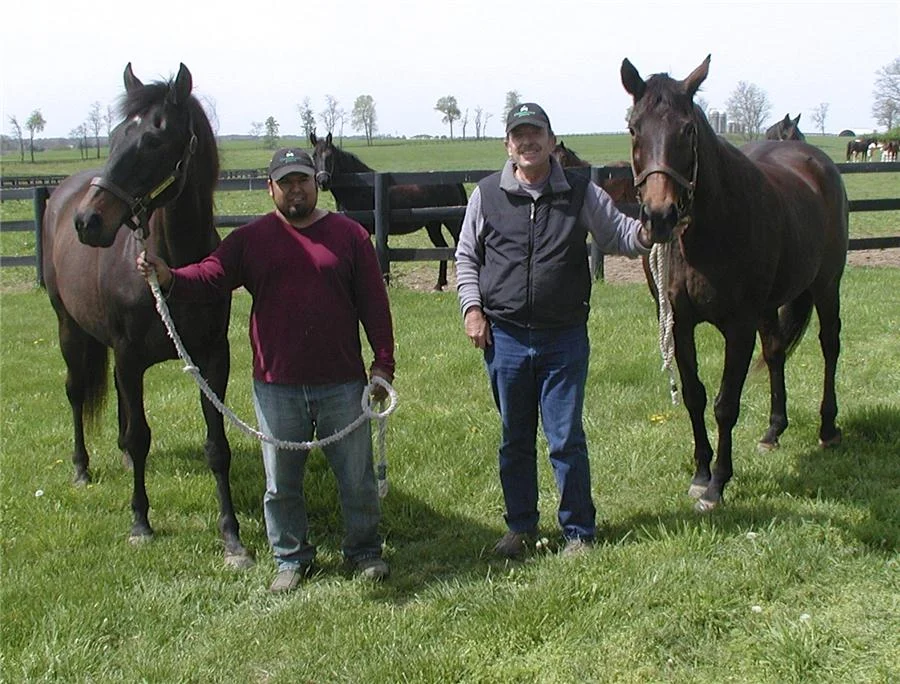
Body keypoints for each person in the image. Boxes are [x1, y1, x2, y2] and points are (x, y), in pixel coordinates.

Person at [137, 147, 395, 592]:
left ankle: (364, 551)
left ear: (315, 183)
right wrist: (170, 277)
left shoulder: (350, 236)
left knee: (356, 477)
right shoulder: (251, 239)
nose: (296, 189)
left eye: (303, 180)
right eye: (286, 182)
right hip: (276, 386)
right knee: (281, 484)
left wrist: (383, 365)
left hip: (342, 381)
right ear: (270, 187)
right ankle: (291, 558)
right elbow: (212, 275)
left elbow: (375, 304)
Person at [455, 103, 651, 559]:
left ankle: (579, 531)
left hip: (562, 336)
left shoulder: (580, 192)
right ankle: (520, 527)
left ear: (551, 139)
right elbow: (467, 257)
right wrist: (472, 310)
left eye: (536, 133)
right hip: (503, 337)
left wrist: (648, 233)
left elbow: (618, 234)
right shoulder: (486, 195)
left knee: (565, 437)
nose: (528, 142)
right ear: (508, 145)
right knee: (514, 436)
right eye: (519, 135)